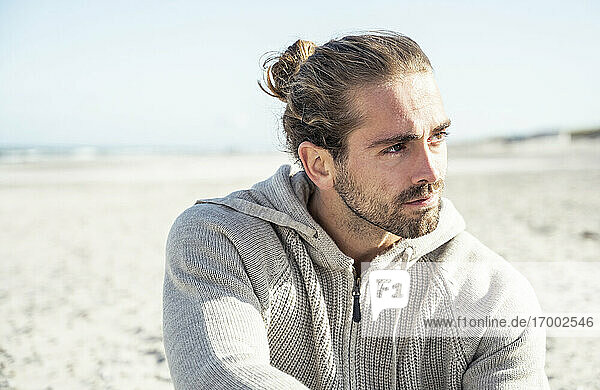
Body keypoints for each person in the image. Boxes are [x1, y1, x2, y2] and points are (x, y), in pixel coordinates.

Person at [163, 32, 550, 389]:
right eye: (396, 147)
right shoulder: (219, 239)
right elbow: (222, 374)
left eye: (437, 137)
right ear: (320, 165)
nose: (430, 172)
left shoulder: (492, 292)